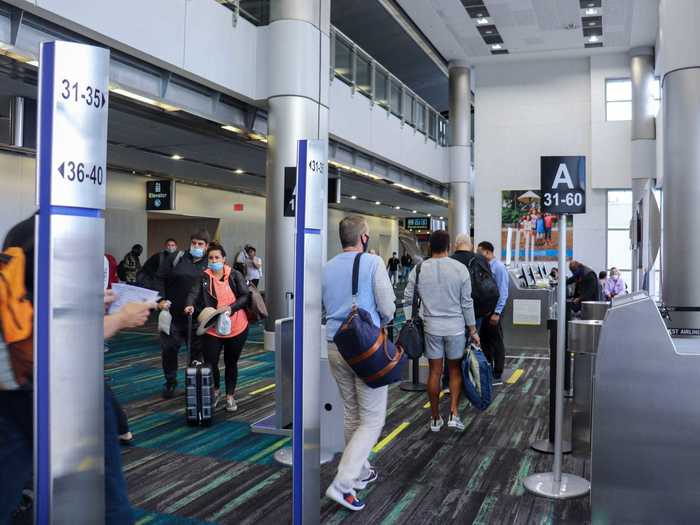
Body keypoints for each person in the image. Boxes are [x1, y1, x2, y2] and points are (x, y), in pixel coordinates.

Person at [0, 215, 155, 525]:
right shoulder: (70, 231)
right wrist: (121, 318)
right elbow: (63, 335)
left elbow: (40, 303)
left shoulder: (20, 232)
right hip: (64, 384)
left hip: (13, 378)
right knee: (104, 494)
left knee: (7, 477)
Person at [322, 216, 395, 512]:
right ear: (364, 237)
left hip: (335, 346)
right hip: (365, 348)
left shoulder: (326, 267)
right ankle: (342, 483)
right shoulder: (373, 263)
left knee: (352, 413)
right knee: (373, 419)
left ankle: (361, 472)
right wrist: (385, 322)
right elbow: (387, 306)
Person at [405, 230, 479, 433]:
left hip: (431, 328)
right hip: (455, 328)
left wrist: (411, 319)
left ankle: (435, 418)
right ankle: (454, 413)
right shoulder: (459, 269)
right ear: (448, 247)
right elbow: (466, 303)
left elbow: (408, 297)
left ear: (430, 246)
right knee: (454, 370)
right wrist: (473, 329)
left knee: (434, 372)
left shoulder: (419, 269)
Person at [185, 243, 250, 412]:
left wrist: (231, 308)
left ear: (224, 259)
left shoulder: (234, 275)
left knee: (231, 362)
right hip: (212, 327)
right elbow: (193, 293)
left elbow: (245, 296)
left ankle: (230, 396)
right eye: (211, 258)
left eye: (217, 258)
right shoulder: (204, 277)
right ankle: (216, 391)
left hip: (236, 326)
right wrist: (189, 305)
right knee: (211, 362)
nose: (214, 261)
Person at [154, 229, 210, 399]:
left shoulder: (210, 262)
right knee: (169, 349)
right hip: (173, 315)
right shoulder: (177, 258)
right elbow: (159, 278)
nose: (196, 246)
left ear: (206, 246)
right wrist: (161, 299)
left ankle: (193, 384)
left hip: (197, 317)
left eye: (200, 244)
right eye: (194, 243)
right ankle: (170, 382)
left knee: (196, 353)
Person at [476, 241, 509, 385]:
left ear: (488, 252)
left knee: (496, 341)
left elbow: (503, 292)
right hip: (485, 311)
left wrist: (497, 312)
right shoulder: (483, 267)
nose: (478, 254)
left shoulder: (499, 267)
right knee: (485, 341)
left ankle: (498, 372)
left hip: (495, 311)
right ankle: (488, 369)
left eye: (480, 252)